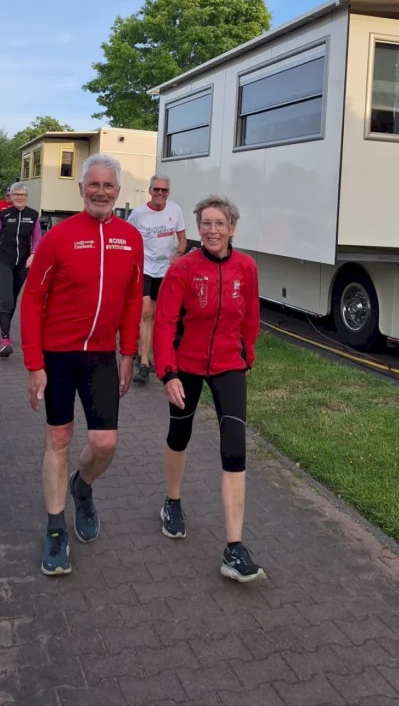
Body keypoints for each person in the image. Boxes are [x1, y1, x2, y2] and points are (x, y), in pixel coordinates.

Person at [20, 154, 144, 577]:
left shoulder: (131, 238)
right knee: (59, 438)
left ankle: (82, 487)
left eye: (109, 185)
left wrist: (129, 352)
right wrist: (34, 364)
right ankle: (56, 529)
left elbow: (132, 299)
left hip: (101, 356)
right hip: (57, 354)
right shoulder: (58, 237)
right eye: (94, 184)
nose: (101, 191)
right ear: (81, 189)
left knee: (105, 443)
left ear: (118, 191)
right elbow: (32, 300)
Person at [153, 194, 265, 583]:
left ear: (232, 228)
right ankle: (172, 501)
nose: (212, 230)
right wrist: (168, 373)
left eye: (220, 224)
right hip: (186, 365)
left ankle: (234, 548)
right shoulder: (183, 269)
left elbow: (250, 315)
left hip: (229, 366)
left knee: (235, 449)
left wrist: (247, 357)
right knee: (179, 434)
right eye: (206, 224)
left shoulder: (247, 267)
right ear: (198, 228)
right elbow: (165, 323)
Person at [127, 175, 187, 385]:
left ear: (168, 192)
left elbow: (182, 239)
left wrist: (179, 254)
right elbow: (128, 237)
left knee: (154, 314)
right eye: (156, 190)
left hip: (164, 269)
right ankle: (144, 363)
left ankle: (142, 352)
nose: (160, 193)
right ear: (150, 190)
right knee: (145, 312)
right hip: (144, 266)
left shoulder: (175, 210)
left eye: (164, 190)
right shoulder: (138, 214)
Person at [0, 184, 41, 358]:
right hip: (3, 261)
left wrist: (34, 253)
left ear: (27, 196)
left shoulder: (33, 215)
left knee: (13, 300)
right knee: (6, 299)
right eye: (16, 194)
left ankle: (3, 331)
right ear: (11, 196)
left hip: (23, 264)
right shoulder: (4, 214)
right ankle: (5, 339)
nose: (20, 197)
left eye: (23, 195)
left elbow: (37, 238)